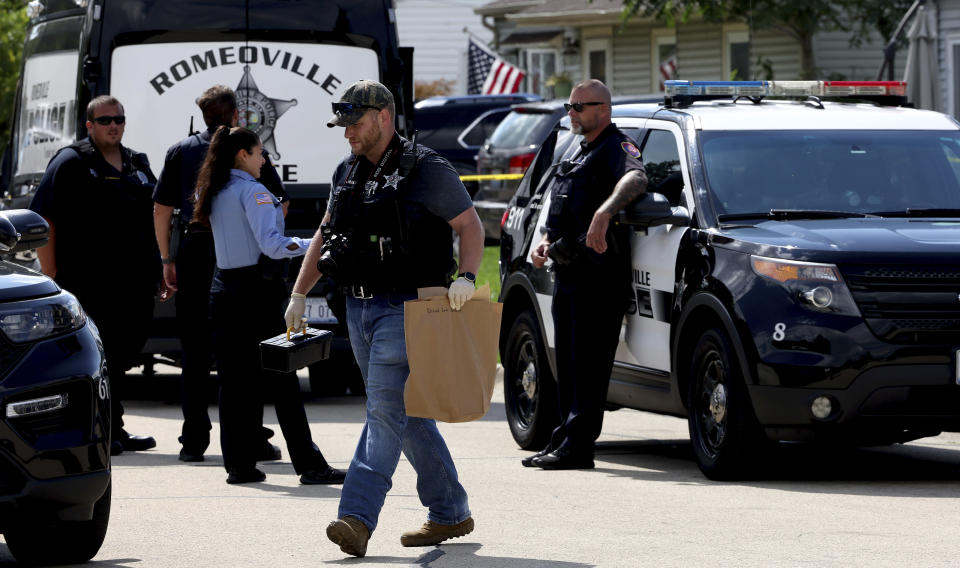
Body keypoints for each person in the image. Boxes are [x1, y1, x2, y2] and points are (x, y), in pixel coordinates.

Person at [284, 80, 483, 558]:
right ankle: (450, 511)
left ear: (384, 117)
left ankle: (356, 516)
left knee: (384, 410)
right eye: (344, 125)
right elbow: (325, 233)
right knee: (407, 414)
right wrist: (298, 292)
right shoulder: (345, 172)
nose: (347, 133)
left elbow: (470, 225)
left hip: (409, 308)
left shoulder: (426, 169)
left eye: (354, 123)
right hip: (357, 307)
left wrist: (469, 277)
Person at [191, 125, 346, 486]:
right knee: (283, 378)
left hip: (223, 289)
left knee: (233, 383)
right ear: (242, 155)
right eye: (260, 152)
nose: (265, 159)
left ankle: (239, 465)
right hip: (255, 293)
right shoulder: (254, 192)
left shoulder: (210, 188)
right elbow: (272, 245)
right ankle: (309, 465)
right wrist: (315, 246)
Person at [153, 85, 286, 463]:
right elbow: (279, 204)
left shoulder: (180, 151)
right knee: (246, 351)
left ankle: (193, 441)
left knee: (194, 351)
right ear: (235, 116)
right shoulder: (244, 150)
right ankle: (252, 438)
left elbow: (161, 210)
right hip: (236, 257)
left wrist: (167, 259)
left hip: (194, 252)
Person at [526, 79, 648, 470]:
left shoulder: (616, 147)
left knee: (590, 367)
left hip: (599, 278)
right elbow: (561, 207)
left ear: (604, 110)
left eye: (580, 106)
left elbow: (637, 178)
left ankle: (579, 448)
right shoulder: (579, 151)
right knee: (571, 364)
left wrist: (605, 211)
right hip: (568, 272)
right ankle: (562, 440)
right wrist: (545, 239)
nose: (572, 112)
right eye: (570, 105)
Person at [30, 95, 162, 456]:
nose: (113, 125)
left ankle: (113, 427)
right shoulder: (72, 161)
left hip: (133, 282)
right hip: (88, 281)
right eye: (105, 120)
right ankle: (98, 432)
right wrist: (51, 272)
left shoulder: (136, 163)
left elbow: (155, 216)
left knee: (123, 355)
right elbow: (45, 216)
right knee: (95, 358)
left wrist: (162, 265)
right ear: (89, 125)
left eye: (119, 119)